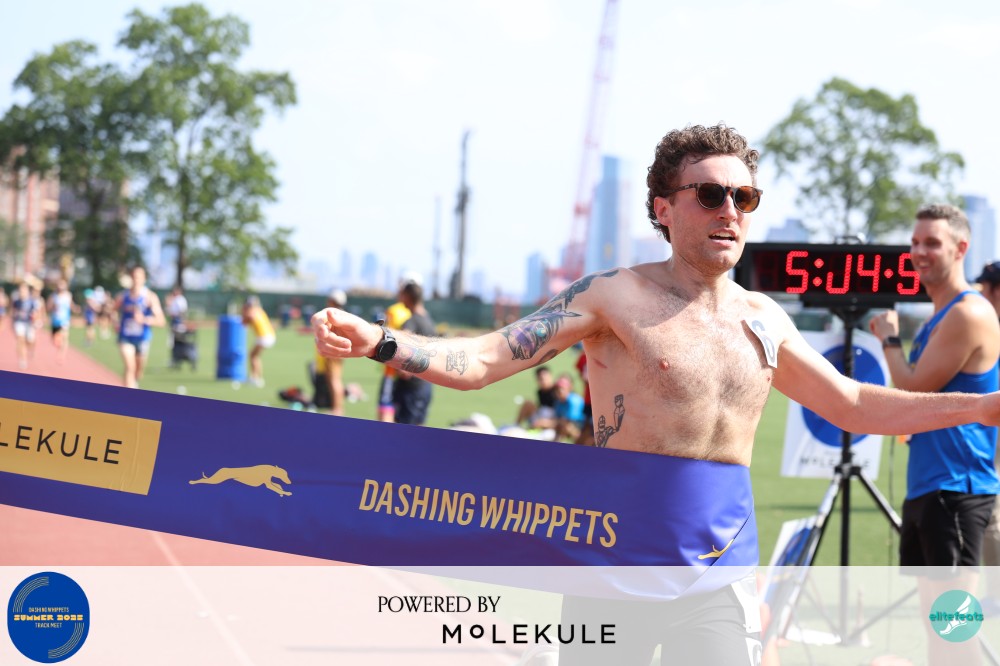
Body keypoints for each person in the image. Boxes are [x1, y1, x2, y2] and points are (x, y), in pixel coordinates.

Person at [313, 124, 1000, 664]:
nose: (730, 210)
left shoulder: (764, 318)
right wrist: (381, 341)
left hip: (718, 574)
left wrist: (980, 407)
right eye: (710, 195)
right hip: (614, 568)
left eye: (744, 198)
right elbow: (488, 359)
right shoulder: (615, 296)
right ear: (664, 208)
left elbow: (851, 405)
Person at [869, 204, 999, 665]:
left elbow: (911, 392)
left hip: (957, 489)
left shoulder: (968, 313)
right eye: (914, 242)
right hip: (931, 487)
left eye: (931, 243)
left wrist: (889, 338)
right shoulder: (937, 317)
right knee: (939, 631)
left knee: (953, 632)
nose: (918, 252)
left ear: (961, 248)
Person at [392, 278, 435, 425]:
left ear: (408, 296)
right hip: (426, 384)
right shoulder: (429, 321)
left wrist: (402, 368)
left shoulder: (410, 322)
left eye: (402, 295)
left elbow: (402, 347)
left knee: (402, 433)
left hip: (410, 387)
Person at [114, 266, 165, 388]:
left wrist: (144, 320)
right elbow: (113, 310)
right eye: (134, 277)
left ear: (144, 279)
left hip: (142, 338)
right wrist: (115, 322)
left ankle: (134, 383)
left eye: (139, 277)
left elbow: (161, 321)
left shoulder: (150, 297)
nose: (136, 280)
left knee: (138, 371)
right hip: (125, 337)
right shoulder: (123, 296)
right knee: (129, 367)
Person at [376, 274, 417, 422]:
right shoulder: (416, 313)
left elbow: (388, 339)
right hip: (414, 370)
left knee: (385, 405)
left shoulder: (394, 311)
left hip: (393, 368)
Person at [312, 289, 348, 416]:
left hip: (333, 352)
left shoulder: (335, 315)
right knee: (333, 379)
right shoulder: (340, 314)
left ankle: (337, 409)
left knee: (334, 380)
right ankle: (336, 407)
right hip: (334, 351)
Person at [241, 295, 275, 387]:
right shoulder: (259, 310)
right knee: (254, 356)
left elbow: (244, 322)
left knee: (253, 356)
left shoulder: (252, 311)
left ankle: (256, 378)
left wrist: (244, 312)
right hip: (267, 335)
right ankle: (255, 377)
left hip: (263, 336)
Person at [11, 281, 42, 370]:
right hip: (19, 322)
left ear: (27, 291)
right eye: (20, 290)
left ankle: (28, 350)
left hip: (29, 324)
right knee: (20, 340)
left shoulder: (32, 301)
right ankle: (22, 360)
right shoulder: (16, 301)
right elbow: (13, 312)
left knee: (29, 341)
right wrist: (12, 323)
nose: (22, 292)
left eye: (24, 290)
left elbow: (37, 312)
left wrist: (37, 320)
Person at [551, 373, 586, 442]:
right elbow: (557, 418)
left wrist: (546, 423)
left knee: (566, 426)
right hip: (569, 426)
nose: (559, 391)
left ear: (569, 388)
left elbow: (569, 421)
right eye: (557, 388)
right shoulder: (558, 402)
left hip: (583, 428)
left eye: (562, 388)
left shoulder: (574, 400)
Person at [47, 278, 75, 363]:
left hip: (65, 320)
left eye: (63, 284)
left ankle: (61, 355)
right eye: (60, 284)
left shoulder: (68, 295)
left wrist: (75, 308)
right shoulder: (53, 296)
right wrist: (53, 307)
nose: (61, 286)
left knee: (64, 336)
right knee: (54, 340)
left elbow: (71, 305)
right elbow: (48, 307)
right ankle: (60, 348)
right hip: (55, 320)